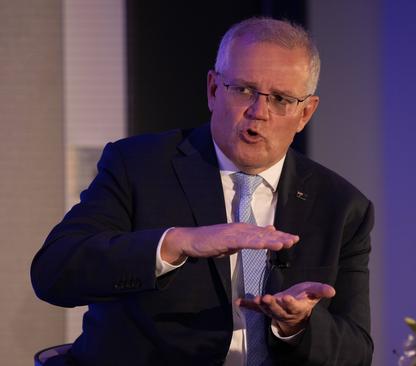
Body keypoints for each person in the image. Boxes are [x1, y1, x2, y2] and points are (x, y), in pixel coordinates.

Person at [31, 17, 373, 366]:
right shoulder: (138, 166)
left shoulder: (341, 206)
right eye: (243, 90)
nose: (259, 113)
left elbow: (357, 352)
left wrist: (298, 326)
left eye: (282, 99)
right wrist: (175, 244)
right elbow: (54, 273)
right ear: (213, 89)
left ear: (305, 113)